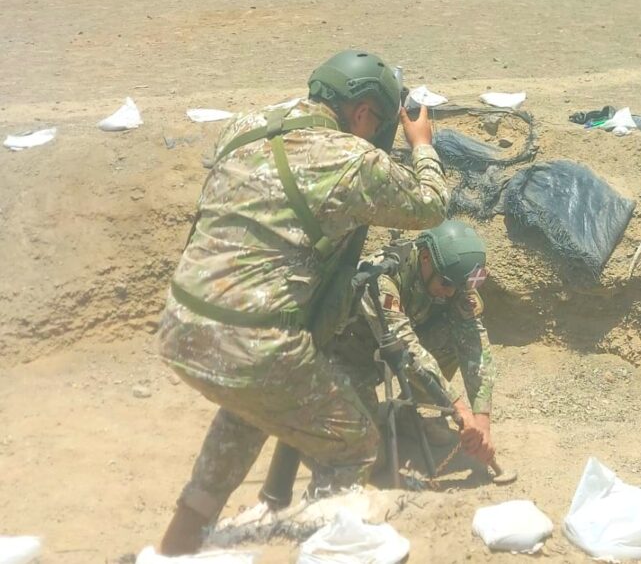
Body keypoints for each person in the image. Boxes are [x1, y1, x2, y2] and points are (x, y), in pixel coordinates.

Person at [156, 49, 447, 555]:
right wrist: (420, 144)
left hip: (183, 327)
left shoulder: (247, 126)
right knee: (355, 442)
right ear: (362, 114)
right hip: (257, 339)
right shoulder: (350, 159)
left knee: (249, 412)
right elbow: (430, 206)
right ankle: (327, 547)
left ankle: (175, 546)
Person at [333, 220, 498, 467]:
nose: (451, 293)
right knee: (371, 461)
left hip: (389, 358)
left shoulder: (451, 277)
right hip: (347, 361)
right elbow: (407, 350)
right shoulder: (380, 278)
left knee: (455, 338)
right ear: (424, 258)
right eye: (446, 284)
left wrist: (481, 418)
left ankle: (404, 415)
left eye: (457, 287)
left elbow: (474, 342)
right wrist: (457, 407)